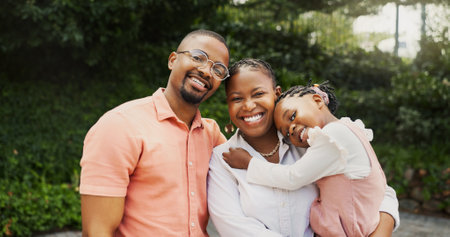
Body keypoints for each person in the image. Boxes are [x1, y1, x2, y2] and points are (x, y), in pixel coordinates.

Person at [207, 58, 399, 237]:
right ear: (228, 105)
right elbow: (237, 229)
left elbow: (377, 189)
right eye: (237, 98)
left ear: (276, 93)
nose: (249, 106)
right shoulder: (223, 159)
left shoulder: (309, 138)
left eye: (258, 94)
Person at [79, 29, 229, 236]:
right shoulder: (120, 125)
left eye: (218, 69)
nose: (206, 71)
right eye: (198, 57)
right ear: (172, 60)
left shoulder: (211, 135)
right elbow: (97, 231)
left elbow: (252, 177)